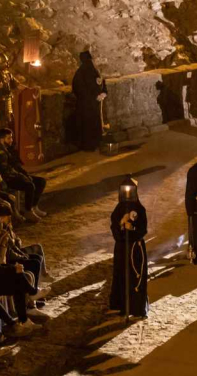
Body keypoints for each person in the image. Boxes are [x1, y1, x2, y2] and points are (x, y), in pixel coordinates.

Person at [108, 176, 149, 318]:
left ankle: (136, 307)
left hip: (135, 249)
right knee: (121, 275)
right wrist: (121, 227)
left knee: (135, 276)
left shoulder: (140, 209)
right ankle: (121, 306)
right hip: (121, 248)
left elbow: (143, 230)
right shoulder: (118, 209)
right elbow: (114, 226)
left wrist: (132, 230)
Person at [0, 128, 46, 222]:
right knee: (29, 185)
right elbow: (5, 171)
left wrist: (25, 174)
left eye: (11, 138)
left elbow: (16, 165)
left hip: (15, 175)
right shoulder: (0, 152)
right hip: (7, 180)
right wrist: (22, 176)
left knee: (41, 181)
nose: (11, 140)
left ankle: (33, 206)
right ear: (2, 139)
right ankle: (28, 211)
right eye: (9, 138)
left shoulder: (8, 149)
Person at [72, 51, 108, 152]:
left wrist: (101, 94)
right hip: (90, 105)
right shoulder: (92, 71)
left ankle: (90, 145)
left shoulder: (81, 73)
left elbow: (77, 89)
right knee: (91, 124)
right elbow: (99, 85)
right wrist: (101, 94)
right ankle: (94, 144)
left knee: (88, 125)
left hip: (87, 105)